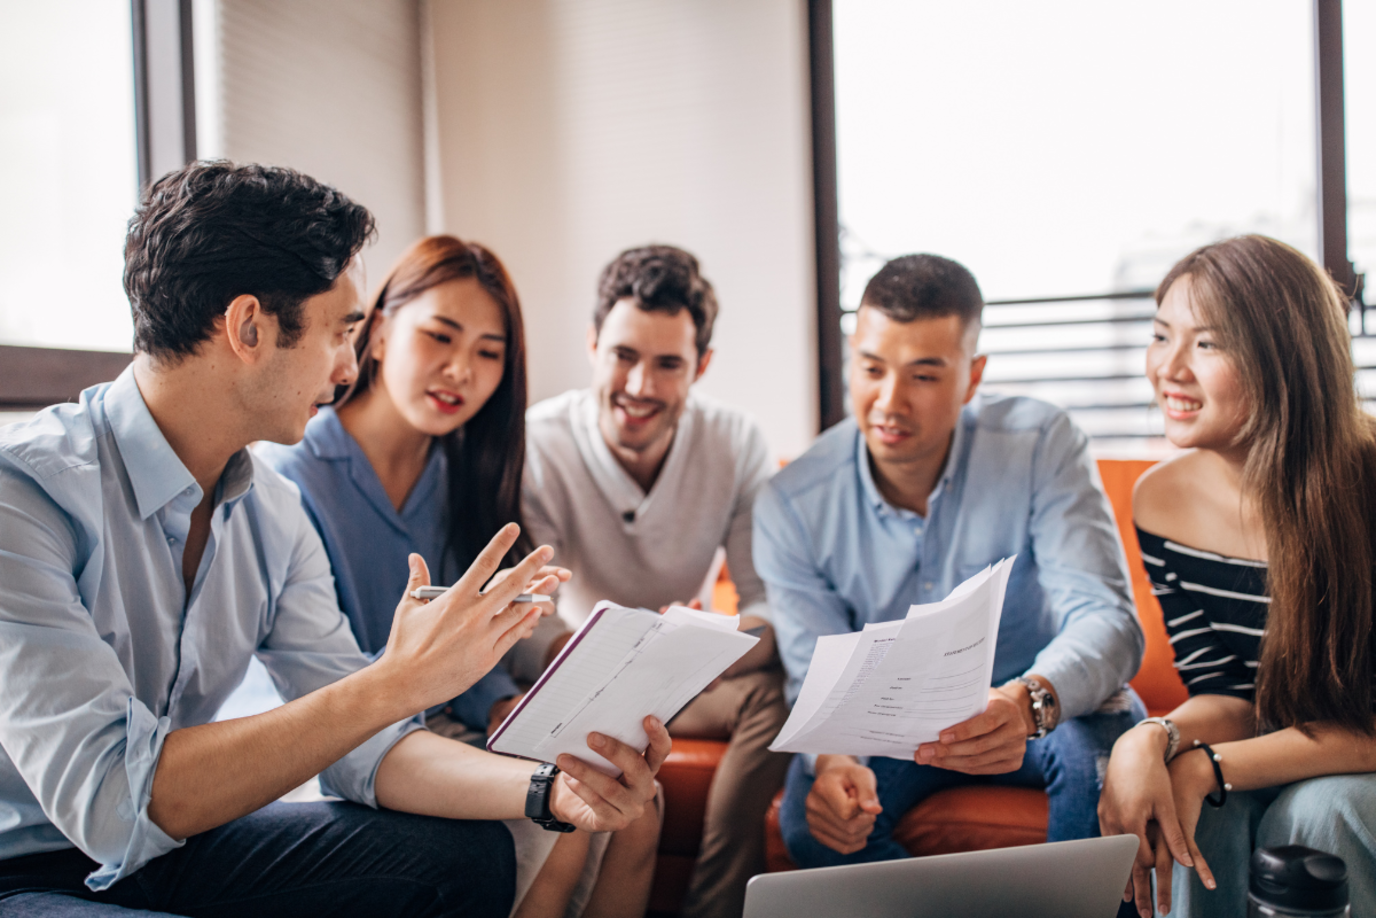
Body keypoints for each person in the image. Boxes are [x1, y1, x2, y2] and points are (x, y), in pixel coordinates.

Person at [0, 161, 667, 917]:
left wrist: (553, 789)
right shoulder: (23, 496)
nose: (350, 368)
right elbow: (112, 801)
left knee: (467, 857)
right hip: (26, 867)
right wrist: (395, 682)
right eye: (341, 332)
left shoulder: (269, 512)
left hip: (170, 854)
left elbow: (364, 750)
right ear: (249, 328)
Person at [259, 234, 660, 918]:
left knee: (640, 801)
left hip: (450, 723)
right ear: (379, 333)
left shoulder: (460, 479)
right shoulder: (293, 478)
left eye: (487, 353)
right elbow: (320, 682)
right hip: (353, 743)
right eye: (439, 338)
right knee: (561, 820)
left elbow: (476, 642)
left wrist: (504, 703)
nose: (459, 371)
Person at [753, 253, 1146, 868]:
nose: (889, 401)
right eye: (872, 368)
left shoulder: (1043, 445)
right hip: (889, 723)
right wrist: (835, 760)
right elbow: (815, 672)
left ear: (972, 376)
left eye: (924, 376)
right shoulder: (791, 503)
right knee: (816, 822)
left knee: (1104, 768)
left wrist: (1026, 701)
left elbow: (1108, 621)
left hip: (1040, 701)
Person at [1097, 235, 1376, 918]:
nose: (1169, 368)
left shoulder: (1365, 489)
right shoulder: (1159, 501)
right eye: (1162, 334)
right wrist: (1154, 739)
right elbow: (1228, 693)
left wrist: (1212, 764)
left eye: (1209, 344)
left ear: (1286, 359)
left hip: (1357, 762)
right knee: (1193, 805)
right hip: (1290, 744)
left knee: (1322, 812)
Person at [520, 245, 791, 918]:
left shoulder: (736, 441)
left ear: (700, 367)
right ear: (592, 346)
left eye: (667, 363)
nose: (640, 385)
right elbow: (533, 620)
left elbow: (769, 607)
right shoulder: (540, 442)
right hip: (579, 673)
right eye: (622, 356)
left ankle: (717, 909)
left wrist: (704, 645)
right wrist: (599, 655)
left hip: (686, 678)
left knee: (776, 692)